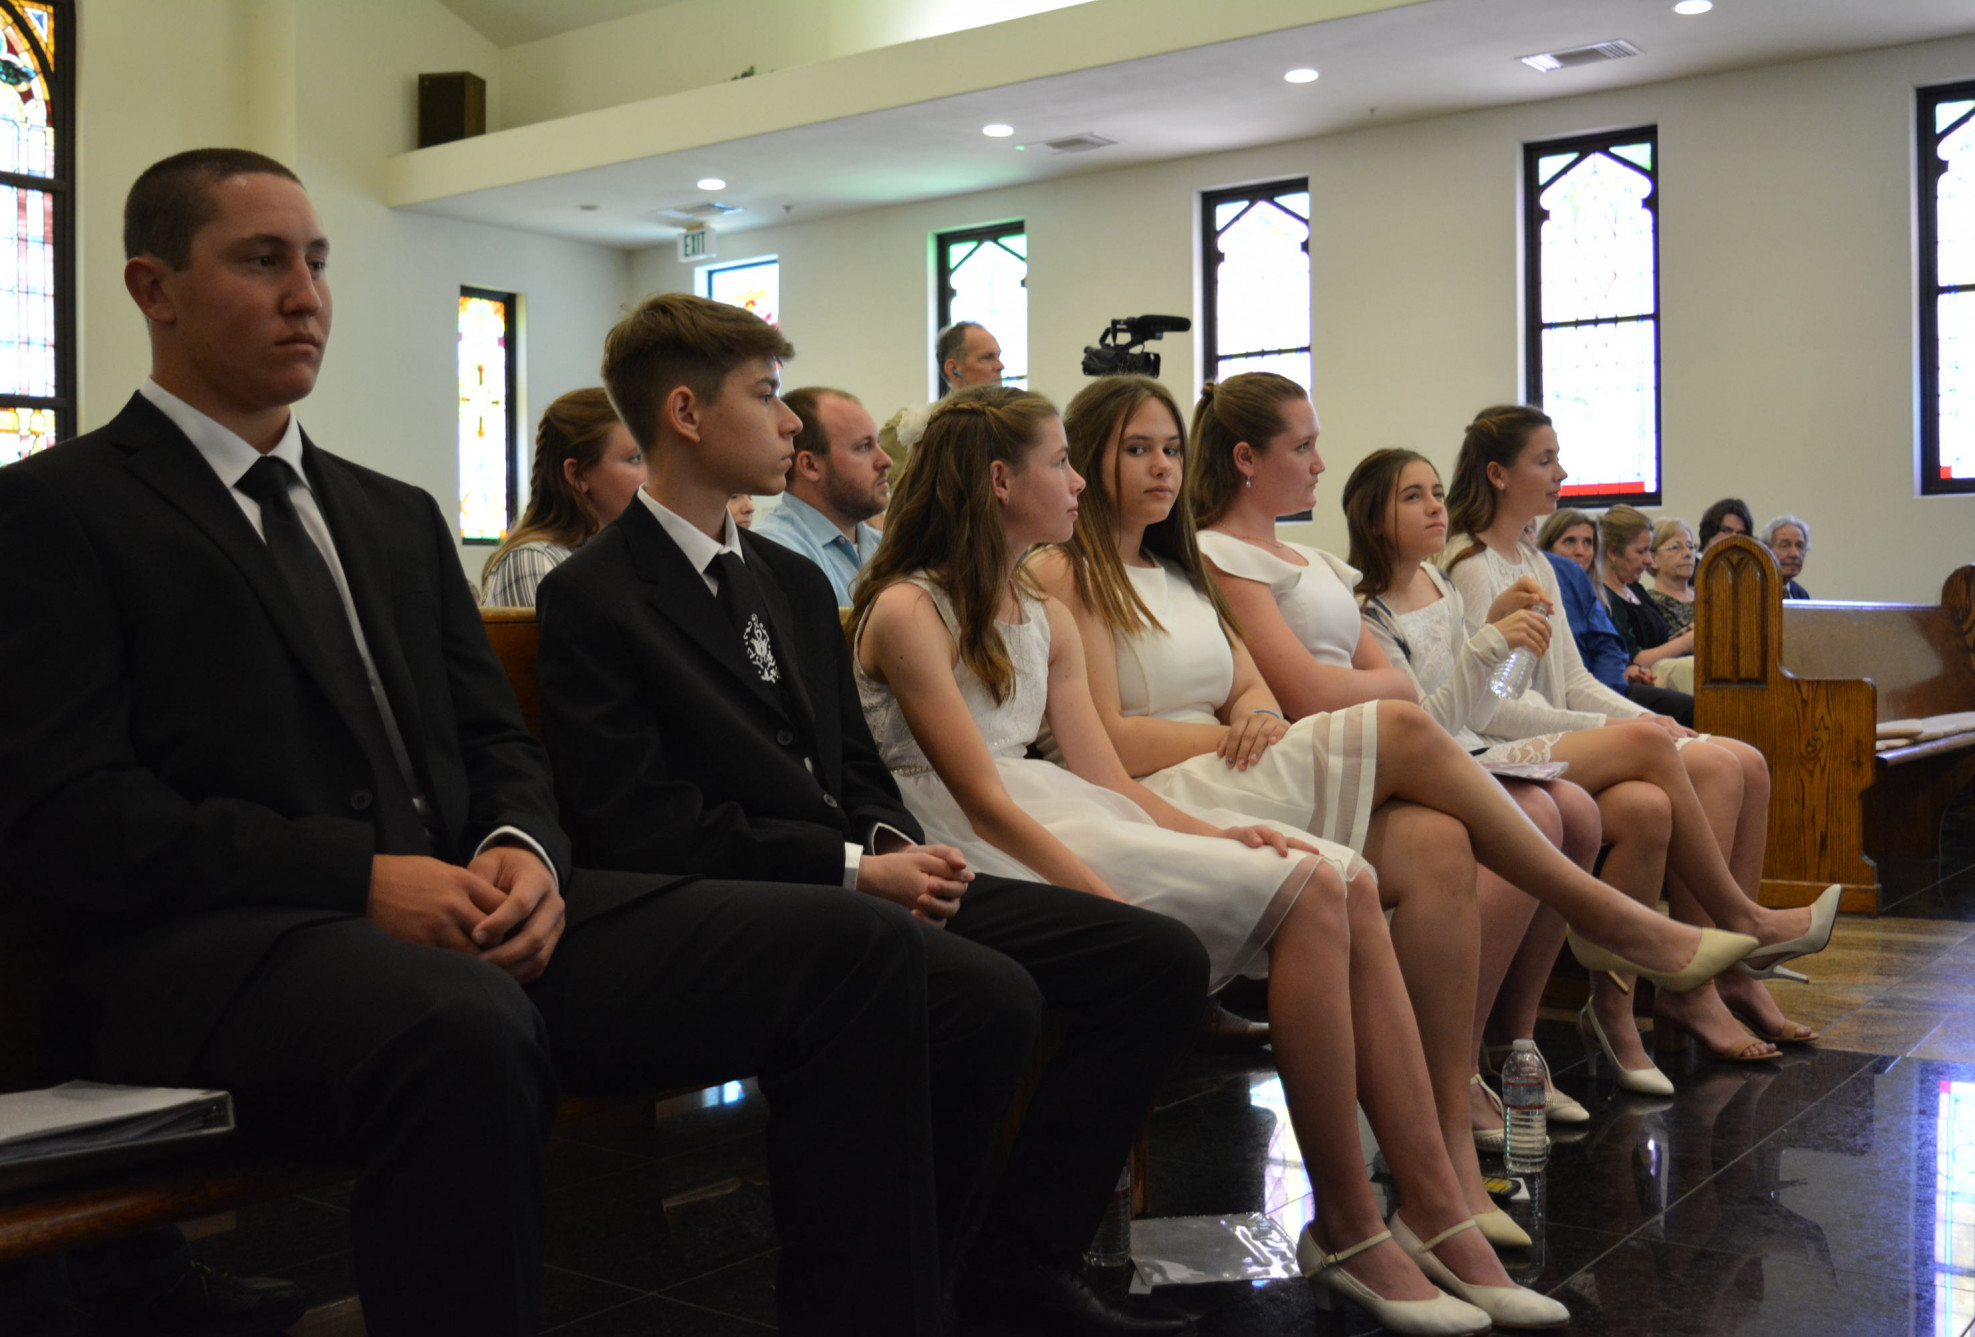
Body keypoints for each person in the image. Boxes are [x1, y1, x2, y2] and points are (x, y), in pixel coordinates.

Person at [1, 148, 949, 1337]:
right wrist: (358, 878)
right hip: (221, 944)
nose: (305, 295)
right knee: (460, 1023)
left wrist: (523, 847)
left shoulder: (389, 513)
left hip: (465, 904)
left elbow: (499, 739)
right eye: (261, 261)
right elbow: (75, 811)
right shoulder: (61, 508)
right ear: (155, 287)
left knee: (857, 947)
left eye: (317, 262)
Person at [847, 384, 1725, 1334]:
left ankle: (1423, 1207)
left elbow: (1101, 776)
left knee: (1341, 873)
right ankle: (1355, 1218)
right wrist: (1106, 894)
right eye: (1066, 461)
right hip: (981, 831)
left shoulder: (1038, 610)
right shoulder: (914, 607)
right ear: (997, 479)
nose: (1081, 480)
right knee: (1315, 879)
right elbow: (987, 792)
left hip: (1078, 806)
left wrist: (1211, 835)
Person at [534, 294, 1210, 1337]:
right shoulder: (596, 592)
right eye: (767, 395)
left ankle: (1016, 1263)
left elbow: (853, 763)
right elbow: (642, 821)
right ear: (686, 413)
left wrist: (895, 846)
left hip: (861, 876)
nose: (789, 421)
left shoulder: (791, 580)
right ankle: (892, 1294)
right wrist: (853, 869)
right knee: (983, 995)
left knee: (1155, 958)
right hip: (744, 903)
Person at [1032, 377, 1711, 1231]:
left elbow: (1252, 687)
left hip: (1247, 756)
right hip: (1177, 782)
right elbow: (1110, 742)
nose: (1163, 466)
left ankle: (1445, 1170)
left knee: (1436, 838)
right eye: (1137, 449)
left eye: (1170, 447)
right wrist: (1235, 730)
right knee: (1409, 726)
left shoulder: (1180, 569)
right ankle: (1609, 915)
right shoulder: (1070, 571)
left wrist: (1252, 714)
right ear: (1085, 463)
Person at [1346, 448, 1818, 1082]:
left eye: (1435, 491)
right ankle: (1740, 921)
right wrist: (1499, 649)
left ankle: (1589, 1018)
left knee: (1648, 806)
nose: (1436, 506)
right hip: (1459, 760)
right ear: (1373, 519)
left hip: (1480, 737)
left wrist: (1504, 646)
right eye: (1413, 497)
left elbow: (1500, 691)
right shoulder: (1374, 607)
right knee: (1652, 747)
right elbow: (1437, 724)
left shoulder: (1444, 584)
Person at [479, 387, 645, 607]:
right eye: (636, 458)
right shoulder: (532, 562)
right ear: (577, 475)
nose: (654, 474)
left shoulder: (633, 558)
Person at [1536, 508, 1693, 725]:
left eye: (1588, 543)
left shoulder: (1598, 592)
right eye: (1570, 541)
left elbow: (1609, 647)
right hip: (1580, 690)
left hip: (1609, 685)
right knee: (1686, 707)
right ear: (1548, 548)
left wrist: (1620, 676)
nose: (1580, 551)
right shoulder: (1545, 592)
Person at [756, 386, 889, 601]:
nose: (885, 461)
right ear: (810, 465)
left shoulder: (885, 547)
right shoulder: (775, 553)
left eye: (878, 443)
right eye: (864, 447)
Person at [878, 321, 1008, 484]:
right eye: (987, 357)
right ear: (953, 369)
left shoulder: (1010, 420)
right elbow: (900, 493)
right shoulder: (915, 426)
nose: (1000, 366)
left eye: (998, 356)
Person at [1597, 505, 1694, 686]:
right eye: (1641, 551)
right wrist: (1687, 642)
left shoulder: (1635, 588)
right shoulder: (1606, 598)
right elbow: (1634, 659)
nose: (1649, 560)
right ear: (1613, 553)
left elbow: (1657, 643)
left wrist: (1682, 635)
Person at [1646, 518, 1698, 638]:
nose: (1688, 553)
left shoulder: (1708, 596)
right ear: (1653, 559)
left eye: (1690, 546)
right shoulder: (1650, 605)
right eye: (1675, 547)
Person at [1762, 514, 1812, 598]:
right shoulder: (1753, 591)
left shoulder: (1801, 594)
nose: (1794, 554)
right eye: (1785, 546)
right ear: (1766, 550)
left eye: (1800, 546)